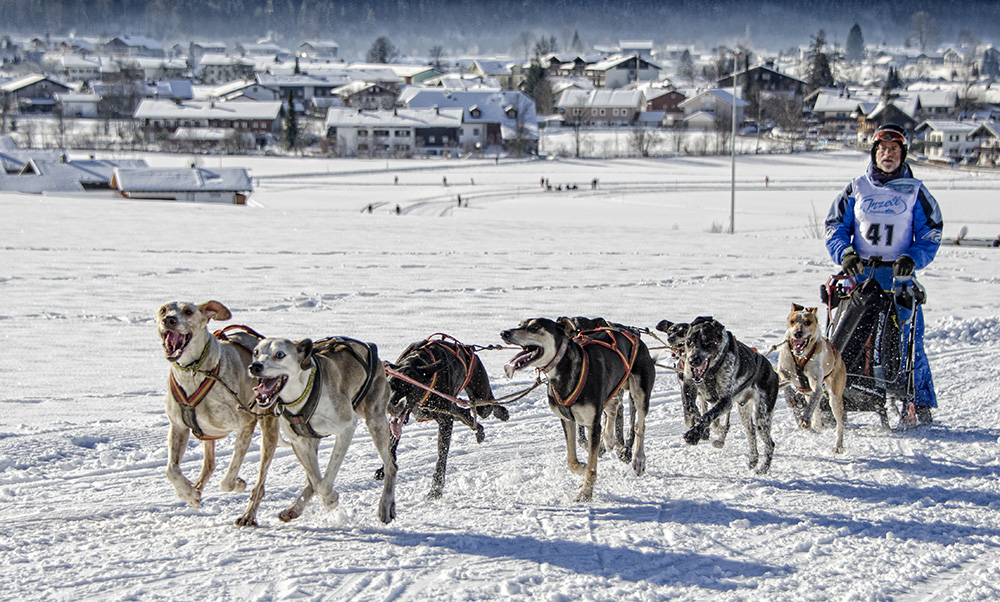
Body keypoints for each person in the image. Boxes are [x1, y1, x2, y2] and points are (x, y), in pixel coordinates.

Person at [824, 124, 943, 427]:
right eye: (882, 149)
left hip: (898, 275)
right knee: (845, 333)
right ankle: (832, 393)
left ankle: (918, 400)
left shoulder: (916, 192)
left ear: (902, 155)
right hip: (860, 274)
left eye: (894, 150)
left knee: (909, 338)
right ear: (874, 153)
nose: (887, 155)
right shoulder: (857, 188)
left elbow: (931, 233)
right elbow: (835, 226)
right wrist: (845, 253)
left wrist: (913, 258)